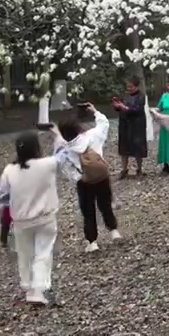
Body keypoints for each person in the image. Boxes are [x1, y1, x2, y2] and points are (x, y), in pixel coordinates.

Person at [0, 132, 63, 306]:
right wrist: (57, 135)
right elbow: (64, 154)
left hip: (21, 221)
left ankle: (29, 289)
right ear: (36, 147)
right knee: (43, 253)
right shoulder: (47, 164)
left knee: (25, 254)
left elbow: (2, 196)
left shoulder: (10, 170)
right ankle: (40, 289)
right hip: (45, 218)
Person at [55, 103, 121, 253]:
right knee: (105, 204)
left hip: (84, 182)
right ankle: (114, 231)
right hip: (101, 177)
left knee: (88, 211)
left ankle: (92, 242)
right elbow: (104, 123)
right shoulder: (92, 136)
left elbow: (66, 169)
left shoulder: (66, 149)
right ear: (78, 127)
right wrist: (95, 111)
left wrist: (79, 177)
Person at [112, 76, 147, 178]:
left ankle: (139, 169)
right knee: (124, 146)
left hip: (137, 124)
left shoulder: (141, 96)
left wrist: (125, 107)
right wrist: (117, 106)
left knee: (138, 146)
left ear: (136, 86)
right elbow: (120, 107)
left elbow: (137, 109)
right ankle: (124, 169)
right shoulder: (125, 95)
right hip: (125, 123)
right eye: (128, 86)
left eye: (131, 86)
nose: (129, 88)